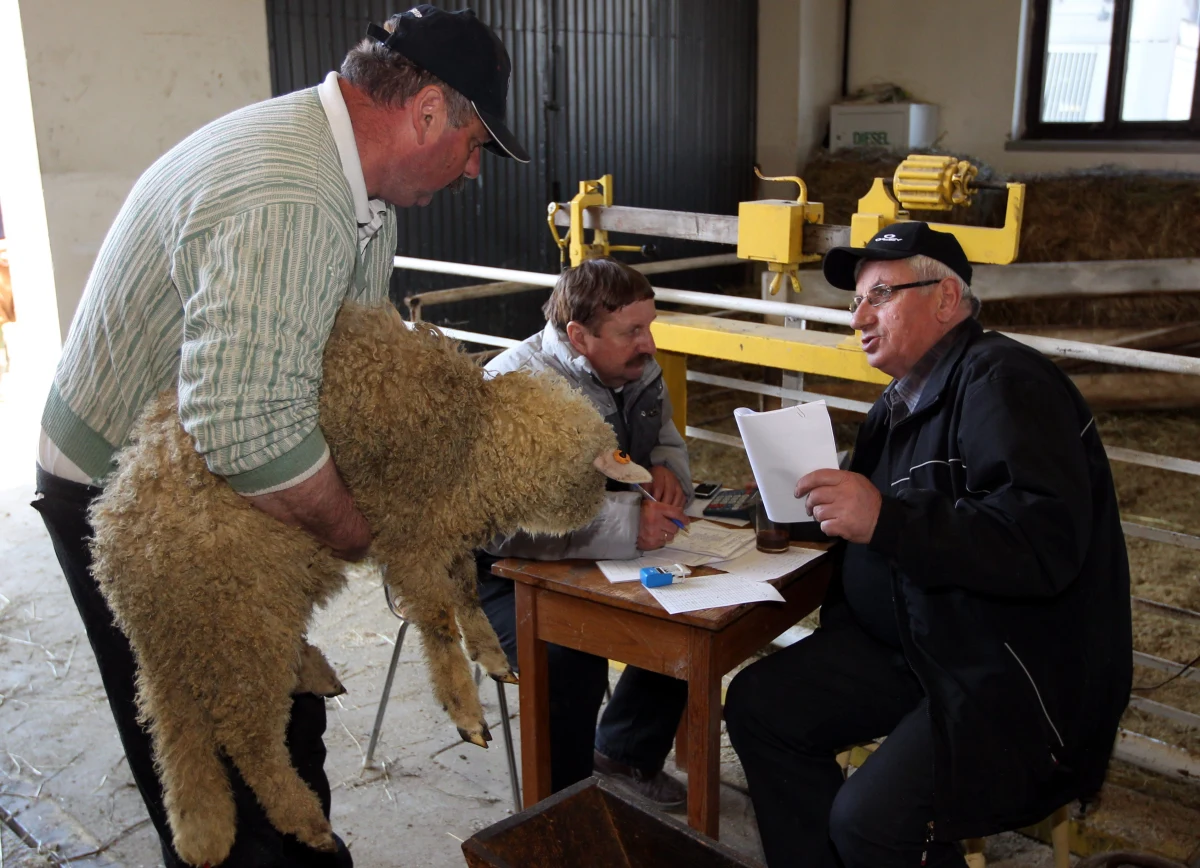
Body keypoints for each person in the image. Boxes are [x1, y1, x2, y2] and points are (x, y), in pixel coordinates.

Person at [31, 7, 528, 866]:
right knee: (227, 755)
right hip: (136, 498)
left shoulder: (358, 194)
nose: (474, 170)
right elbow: (249, 427)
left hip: (204, 475)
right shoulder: (291, 193)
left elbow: (340, 366)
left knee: (291, 717)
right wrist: (360, 533)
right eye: (477, 144)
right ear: (427, 113)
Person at [724, 221, 1132, 868]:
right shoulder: (902, 400)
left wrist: (884, 519)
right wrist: (808, 507)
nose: (859, 316)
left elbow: (1040, 543)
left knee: (869, 823)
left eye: (880, 295)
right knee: (759, 706)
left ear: (945, 299)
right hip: (921, 642)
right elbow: (897, 517)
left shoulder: (1004, 382)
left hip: (1003, 670)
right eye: (856, 300)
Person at [476, 257, 694, 807]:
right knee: (568, 656)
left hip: (597, 547)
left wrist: (665, 469)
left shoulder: (638, 367)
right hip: (499, 569)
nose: (649, 344)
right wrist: (630, 523)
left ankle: (624, 750)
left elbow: (664, 437)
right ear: (578, 335)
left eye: (649, 326)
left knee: (689, 611)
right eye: (631, 332)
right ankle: (564, 810)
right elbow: (500, 526)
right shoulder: (515, 390)